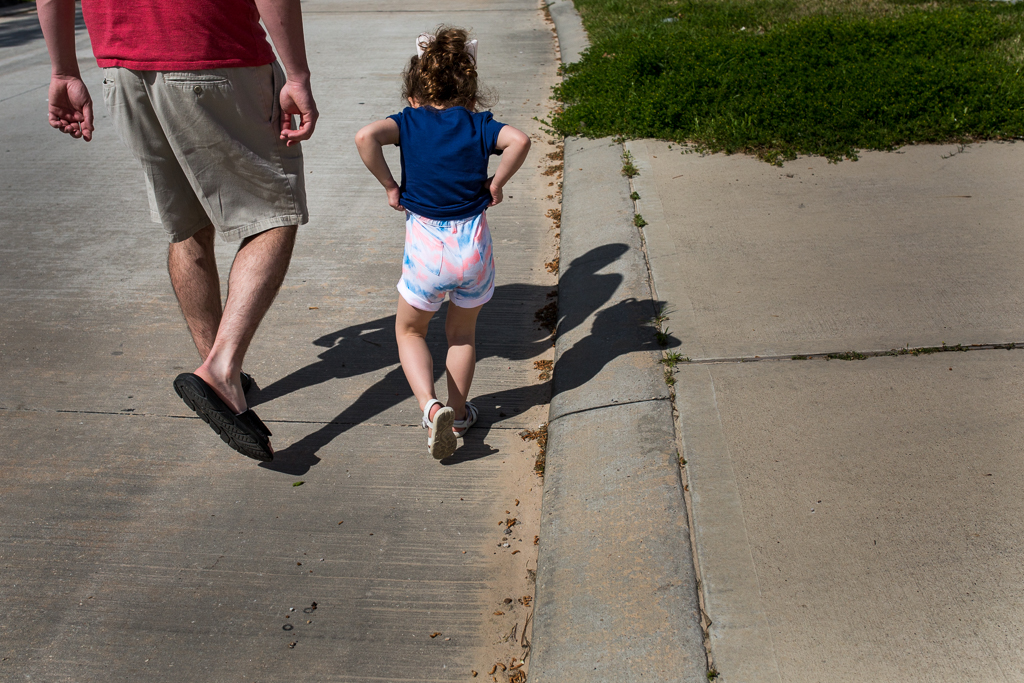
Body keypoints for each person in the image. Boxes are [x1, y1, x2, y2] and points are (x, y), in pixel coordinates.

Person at [37, 0, 319, 462]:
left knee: (187, 226)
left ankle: (220, 376)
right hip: (215, 57)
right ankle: (222, 371)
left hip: (123, 71)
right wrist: (297, 75)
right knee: (274, 214)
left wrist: (64, 71)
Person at [355, 27, 531, 460]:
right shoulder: (478, 125)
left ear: (415, 91)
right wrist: (498, 182)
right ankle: (459, 410)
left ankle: (430, 407)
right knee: (462, 335)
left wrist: (390, 186)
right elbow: (520, 140)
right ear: (470, 93)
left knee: (410, 330)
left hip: (427, 253)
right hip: (472, 250)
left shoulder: (408, 122)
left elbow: (365, 137)